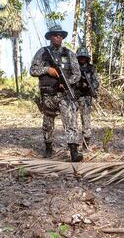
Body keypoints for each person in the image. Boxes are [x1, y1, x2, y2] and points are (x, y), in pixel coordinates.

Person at [30, 25, 83, 162]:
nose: (58, 37)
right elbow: (33, 70)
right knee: (48, 123)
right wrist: (47, 69)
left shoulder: (69, 54)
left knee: (70, 120)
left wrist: (67, 83)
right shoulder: (43, 52)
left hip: (64, 93)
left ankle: (73, 151)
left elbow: (77, 74)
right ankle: (48, 147)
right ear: (50, 37)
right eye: (55, 35)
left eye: (60, 35)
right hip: (48, 94)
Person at [75, 47, 99, 149]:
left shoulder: (91, 68)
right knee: (73, 120)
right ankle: (73, 144)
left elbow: (96, 81)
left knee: (86, 119)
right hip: (75, 95)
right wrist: (78, 83)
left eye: (84, 57)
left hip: (86, 96)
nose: (82, 59)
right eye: (80, 57)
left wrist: (90, 86)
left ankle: (86, 143)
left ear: (87, 58)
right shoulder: (74, 67)